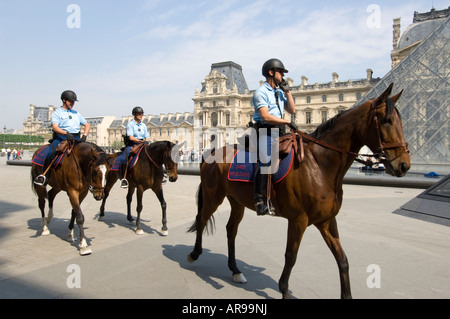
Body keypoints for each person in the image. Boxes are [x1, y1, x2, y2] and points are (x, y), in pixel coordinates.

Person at [252, 58, 297, 216]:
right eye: (281, 72)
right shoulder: (261, 93)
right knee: (265, 161)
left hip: (279, 131)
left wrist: (287, 91)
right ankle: (258, 200)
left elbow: (292, 109)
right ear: (271, 73)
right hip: (264, 131)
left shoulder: (279, 92)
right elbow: (265, 116)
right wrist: (287, 121)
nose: (283, 76)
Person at [34, 90, 90, 186]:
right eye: (70, 101)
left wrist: (84, 136)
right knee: (50, 153)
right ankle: (44, 176)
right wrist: (66, 133)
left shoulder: (76, 113)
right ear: (64, 100)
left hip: (76, 138)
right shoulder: (57, 113)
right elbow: (55, 127)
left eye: (73, 102)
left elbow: (87, 124)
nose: (72, 103)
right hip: (62, 137)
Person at [119, 106, 150, 188]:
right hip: (132, 144)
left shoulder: (144, 125)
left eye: (141, 114)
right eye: (138, 114)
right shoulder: (130, 124)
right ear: (134, 115)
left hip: (143, 144)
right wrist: (139, 141)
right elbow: (131, 137)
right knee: (123, 158)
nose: (140, 115)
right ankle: (123, 178)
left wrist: (146, 141)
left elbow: (147, 136)